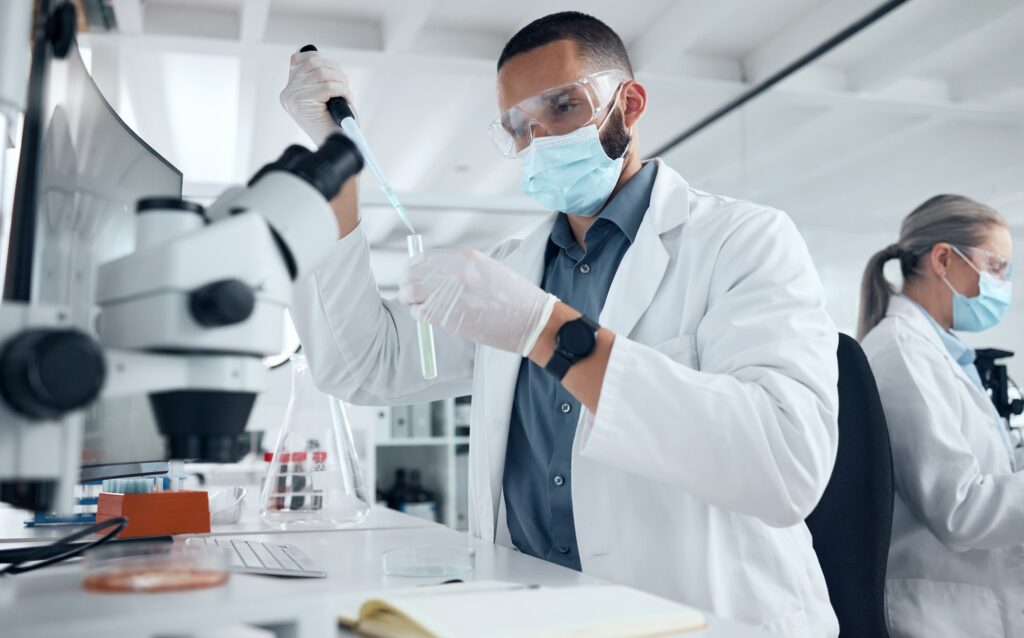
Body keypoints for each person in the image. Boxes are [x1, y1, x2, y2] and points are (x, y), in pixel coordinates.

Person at [283, 12, 839, 636]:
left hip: (708, 618)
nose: (540, 139)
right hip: (535, 614)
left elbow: (786, 465)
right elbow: (364, 365)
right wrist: (335, 162)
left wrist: (545, 329)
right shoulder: (513, 270)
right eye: (519, 126)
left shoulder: (743, 241)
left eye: (563, 107)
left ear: (630, 104)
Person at [858, 194, 1020, 638]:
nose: (1003, 284)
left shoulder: (942, 354)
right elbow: (959, 509)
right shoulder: (901, 354)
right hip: (940, 616)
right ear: (944, 259)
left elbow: (995, 468)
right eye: (995, 267)